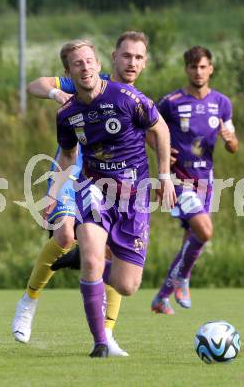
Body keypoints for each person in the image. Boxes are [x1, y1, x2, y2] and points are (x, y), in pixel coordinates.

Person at [12, 32, 149, 356]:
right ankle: (28, 303)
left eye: (138, 58)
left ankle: (107, 334)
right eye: (126, 56)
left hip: (114, 185)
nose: (132, 63)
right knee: (63, 236)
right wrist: (57, 94)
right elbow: (34, 85)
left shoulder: (132, 98)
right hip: (75, 175)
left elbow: (150, 133)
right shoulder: (85, 78)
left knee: (113, 256)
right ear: (111, 59)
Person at [54, 39, 175, 357]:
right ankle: (100, 342)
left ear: (98, 63)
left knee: (127, 286)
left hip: (134, 198)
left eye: (89, 61)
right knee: (94, 258)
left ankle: (83, 263)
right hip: (95, 190)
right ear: (68, 71)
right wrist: (55, 196)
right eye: (78, 63)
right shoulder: (67, 114)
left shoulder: (127, 97)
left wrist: (164, 176)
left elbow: (160, 130)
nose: (86, 67)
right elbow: (68, 156)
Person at [151, 46, 239, 314]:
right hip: (180, 180)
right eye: (193, 67)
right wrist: (161, 150)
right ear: (186, 69)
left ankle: (162, 297)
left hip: (206, 181)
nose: (198, 72)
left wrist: (230, 140)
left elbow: (234, 146)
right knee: (204, 231)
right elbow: (148, 127)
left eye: (203, 67)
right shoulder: (171, 102)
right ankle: (183, 279)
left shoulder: (222, 103)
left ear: (211, 68)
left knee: (193, 239)